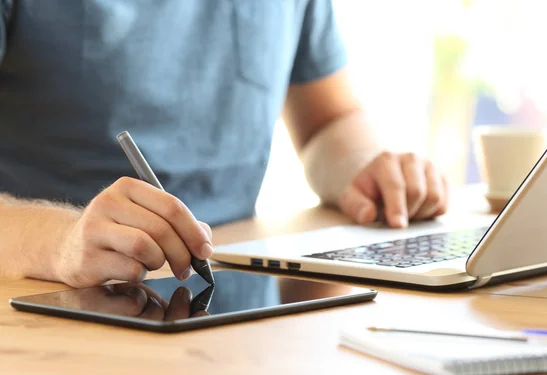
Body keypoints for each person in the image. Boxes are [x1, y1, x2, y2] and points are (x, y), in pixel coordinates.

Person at [0, 1, 449, 288]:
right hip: (54, 295)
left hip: (228, 289)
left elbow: (329, 119)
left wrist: (366, 167)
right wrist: (62, 244)